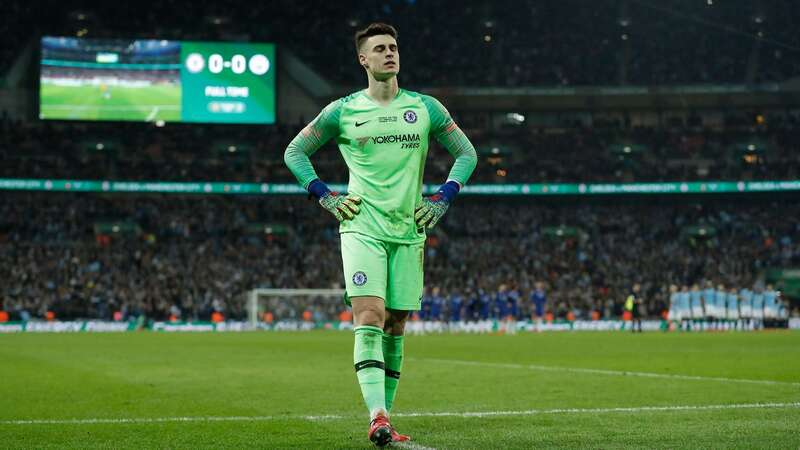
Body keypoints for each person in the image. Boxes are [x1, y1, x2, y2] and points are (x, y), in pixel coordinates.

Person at [283, 22, 477, 447]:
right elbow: (295, 151)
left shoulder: (426, 108)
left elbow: (467, 153)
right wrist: (325, 197)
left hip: (409, 228)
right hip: (362, 226)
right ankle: (377, 416)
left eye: (393, 47)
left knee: (397, 322)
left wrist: (444, 197)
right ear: (363, 59)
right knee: (369, 314)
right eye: (380, 48)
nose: (389, 53)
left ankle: (387, 418)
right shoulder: (342, 110)